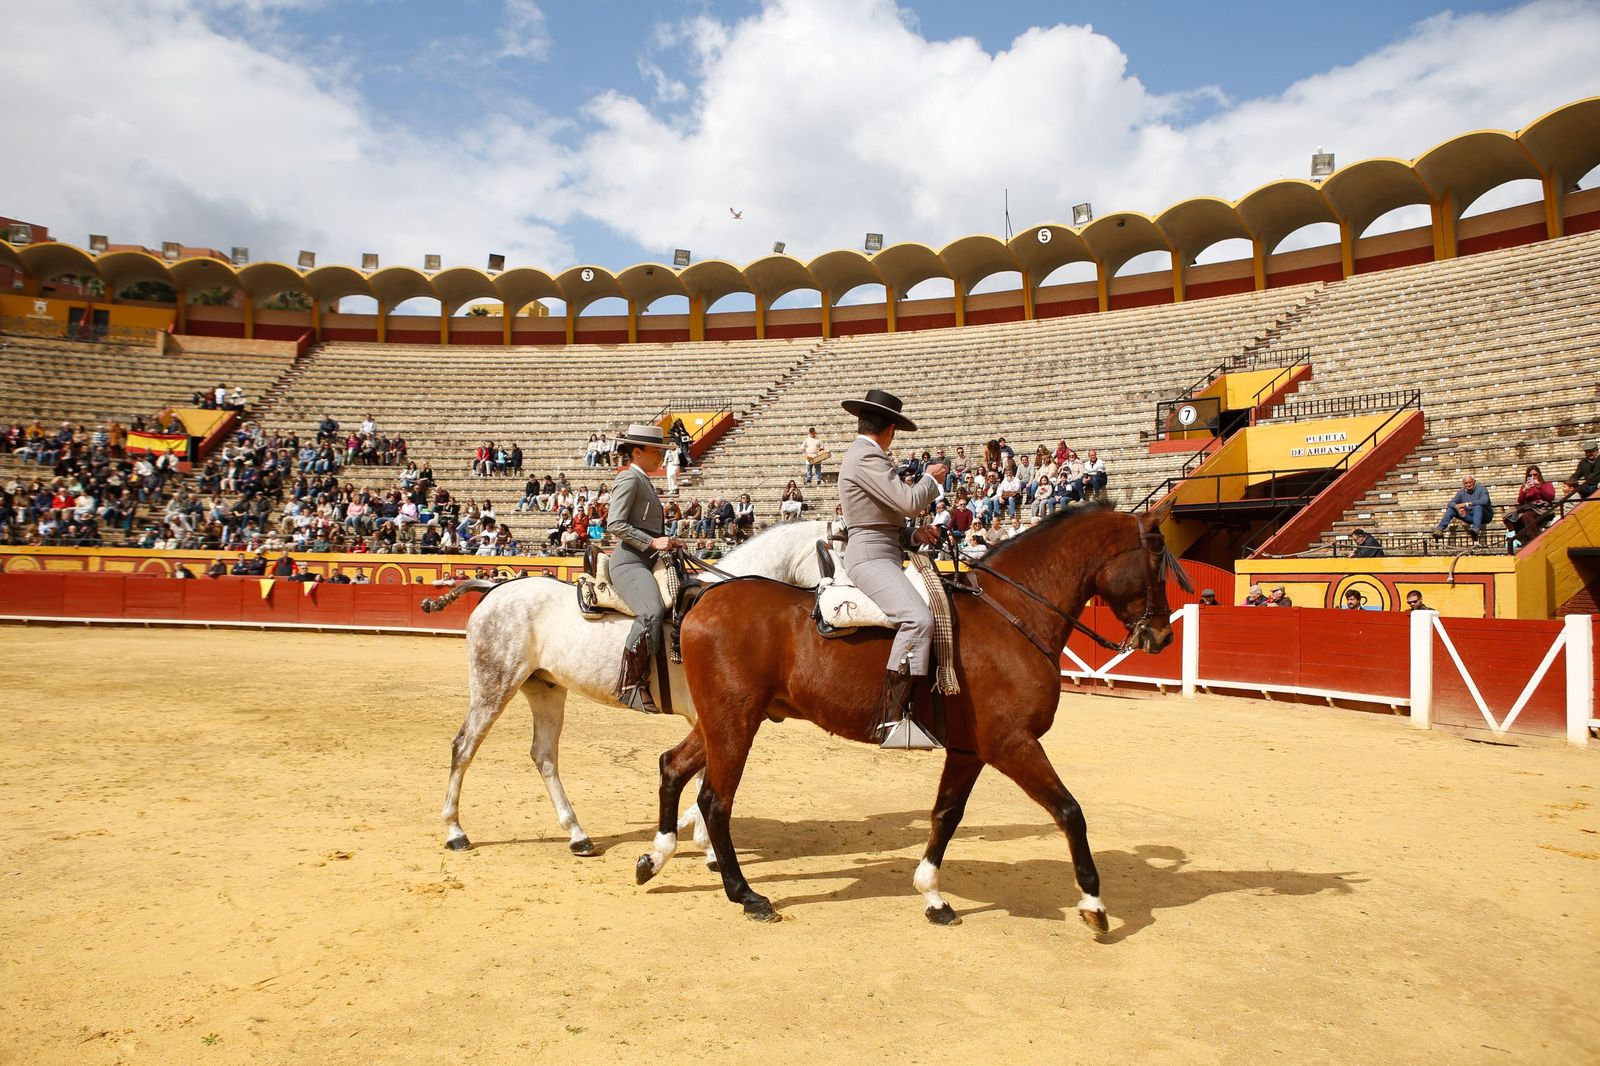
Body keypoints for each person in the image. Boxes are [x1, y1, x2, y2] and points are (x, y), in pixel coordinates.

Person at [837, 389, 948, 749]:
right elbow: (908, 501)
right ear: (891, 430)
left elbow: (882, 517)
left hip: (882, 548)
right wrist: (931, 480)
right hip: (870, 556)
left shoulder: (866, 455)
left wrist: (913, 534)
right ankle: (890, 716)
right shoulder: (867, 456)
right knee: (918, 619)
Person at [605, 424, 684, 714]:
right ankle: (630, 685)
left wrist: (671, 541)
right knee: (651, 611)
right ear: (636, 452)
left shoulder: (644, 480)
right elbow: (615, 523)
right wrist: (653, 541)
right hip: (630, 561)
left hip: (648, 558)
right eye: (655, 451)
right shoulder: (629, 479)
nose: (660, 457)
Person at [1433, 475, 1491, 540]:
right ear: (1464, 484)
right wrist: (1458, 507)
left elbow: (1484, 501)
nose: (1468, 485)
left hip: (1484, 516)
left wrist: (1466, 504)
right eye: (1466, 483)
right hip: (1470, 517)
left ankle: (1476, 529)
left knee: (1477, 506)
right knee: (1451, 509)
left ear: (1474, 482)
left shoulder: (1481, 489)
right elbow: (1450, 503)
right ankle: (1439, 529)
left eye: (1470, 482)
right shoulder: (1461, 493)